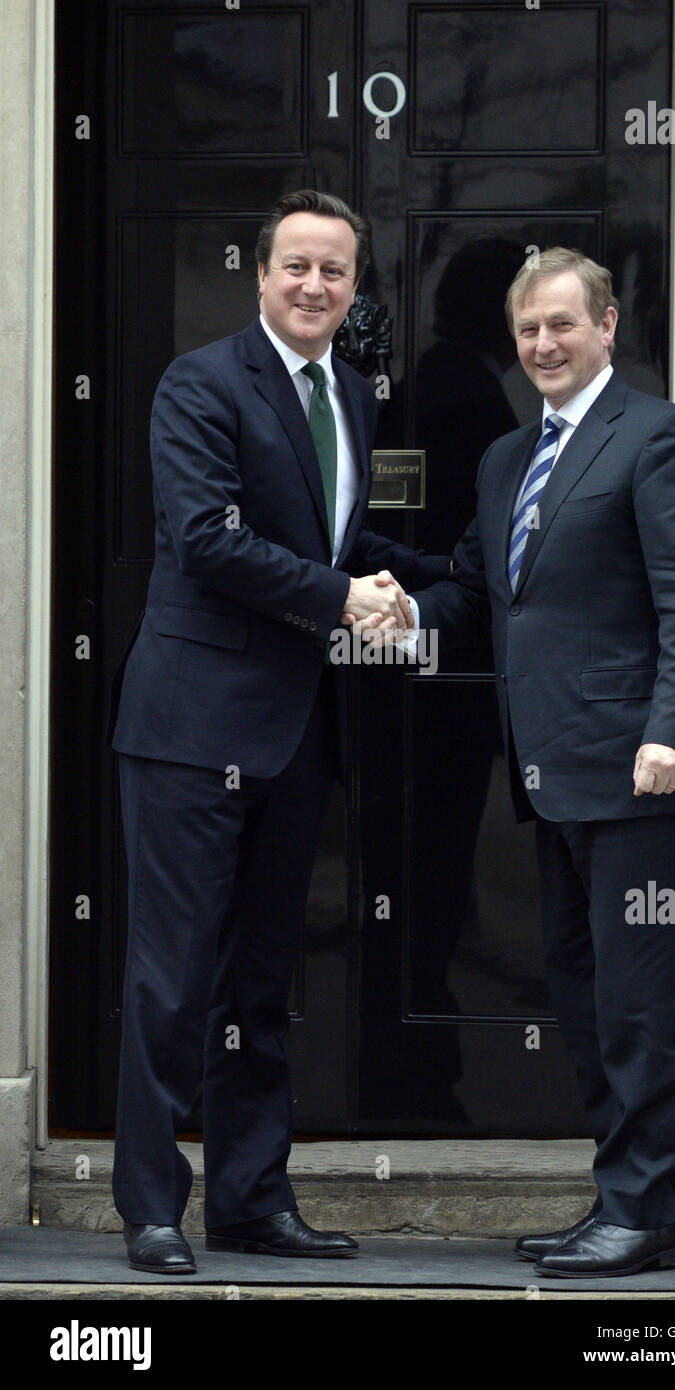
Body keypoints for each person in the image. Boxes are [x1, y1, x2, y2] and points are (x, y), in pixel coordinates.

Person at [373, 247, 675, 1278]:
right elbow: (478, 595)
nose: (543, 344)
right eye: (528, 328)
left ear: (608, 325)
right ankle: (620, 1198)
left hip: (643, 772)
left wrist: (673, 727)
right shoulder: (504, 461)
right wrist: (387, 609)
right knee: (580, 993)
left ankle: (644, 1209)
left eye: (563, 325)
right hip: (552, 771)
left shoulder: (659, 437)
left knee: (636, 992)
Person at [106, 189, 449, 1273]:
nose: (314, 286)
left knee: (262, 980)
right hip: (189, 726)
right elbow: (206, 538)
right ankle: (154, 1207)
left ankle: (250, 1199)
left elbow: (330, 542)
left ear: (354, 290)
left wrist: (448, 580)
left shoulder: (349, 392)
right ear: (259, 275)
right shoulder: (201, 382)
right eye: (295, 266)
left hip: (295, 735)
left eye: (335, 272)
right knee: (172, 978)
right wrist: (345, 600)